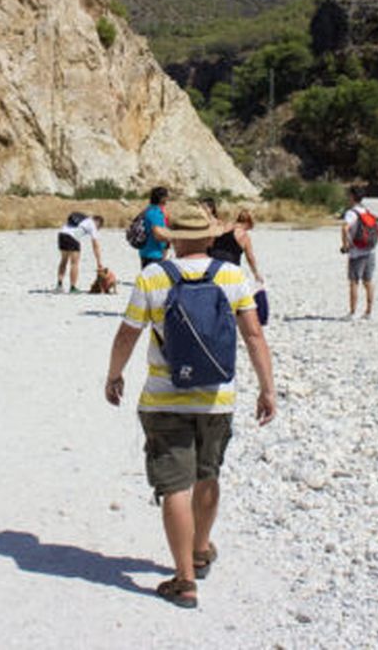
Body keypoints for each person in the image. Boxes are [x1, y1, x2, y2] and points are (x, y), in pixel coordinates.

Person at [104, 202, 277, 609]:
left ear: (176, 239)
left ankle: (184, 580)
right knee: (207, 473)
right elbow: (254, 336)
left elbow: (127, 335)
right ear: (210, 237)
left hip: (164, 399)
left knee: (174, 486)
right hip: (216, 398)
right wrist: (268, 388)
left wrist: (114, 375)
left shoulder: (152, 277)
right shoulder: (232, 276)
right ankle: (200, 549)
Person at [203, 200, 269, 325]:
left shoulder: (224, 226)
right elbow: (250, 257)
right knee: (230, 300)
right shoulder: (243, 235)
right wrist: (256, 274)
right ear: (249, 223)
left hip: (213, 266)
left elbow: (210, 244)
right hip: (230, 270)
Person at [340, 187, 376, 319]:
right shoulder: (365, 211)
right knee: (368, 281)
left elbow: (345, 228)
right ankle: (368, 311)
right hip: (370, 250)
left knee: (354, 281)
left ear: (352, 197)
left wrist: (345, 245)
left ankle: (352, 312)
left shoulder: (351, 213)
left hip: (357, 252)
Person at [56, 211, 106, 293]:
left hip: (62, 235)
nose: (97, 229)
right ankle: (73, 288)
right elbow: (95, 245)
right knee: (74, 263)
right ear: (98, 222)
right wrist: (99, 262)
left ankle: (59, 285)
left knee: (63, 261)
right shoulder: (92, 224)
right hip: (73, 237)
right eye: (99, 227)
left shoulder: (83, 220)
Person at [135, 186, 174, 265]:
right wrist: (171, 238)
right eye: (166, 196)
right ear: (162, 198)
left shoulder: (148, 210)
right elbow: (158, 234)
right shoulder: (155, 213)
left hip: (146, 251)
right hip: (153, 254)